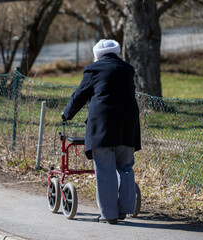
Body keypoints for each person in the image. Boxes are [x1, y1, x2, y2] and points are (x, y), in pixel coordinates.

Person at [62, 39, 141, 224]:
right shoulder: (128, 69)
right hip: (128, 124)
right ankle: (124, 210)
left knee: (105, 170)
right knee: (126, 167)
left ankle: (109, 214)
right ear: (117, 52)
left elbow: (80, 95)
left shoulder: (93, 69)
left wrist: (67, 114)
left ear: (97, 54)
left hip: (103, 125)